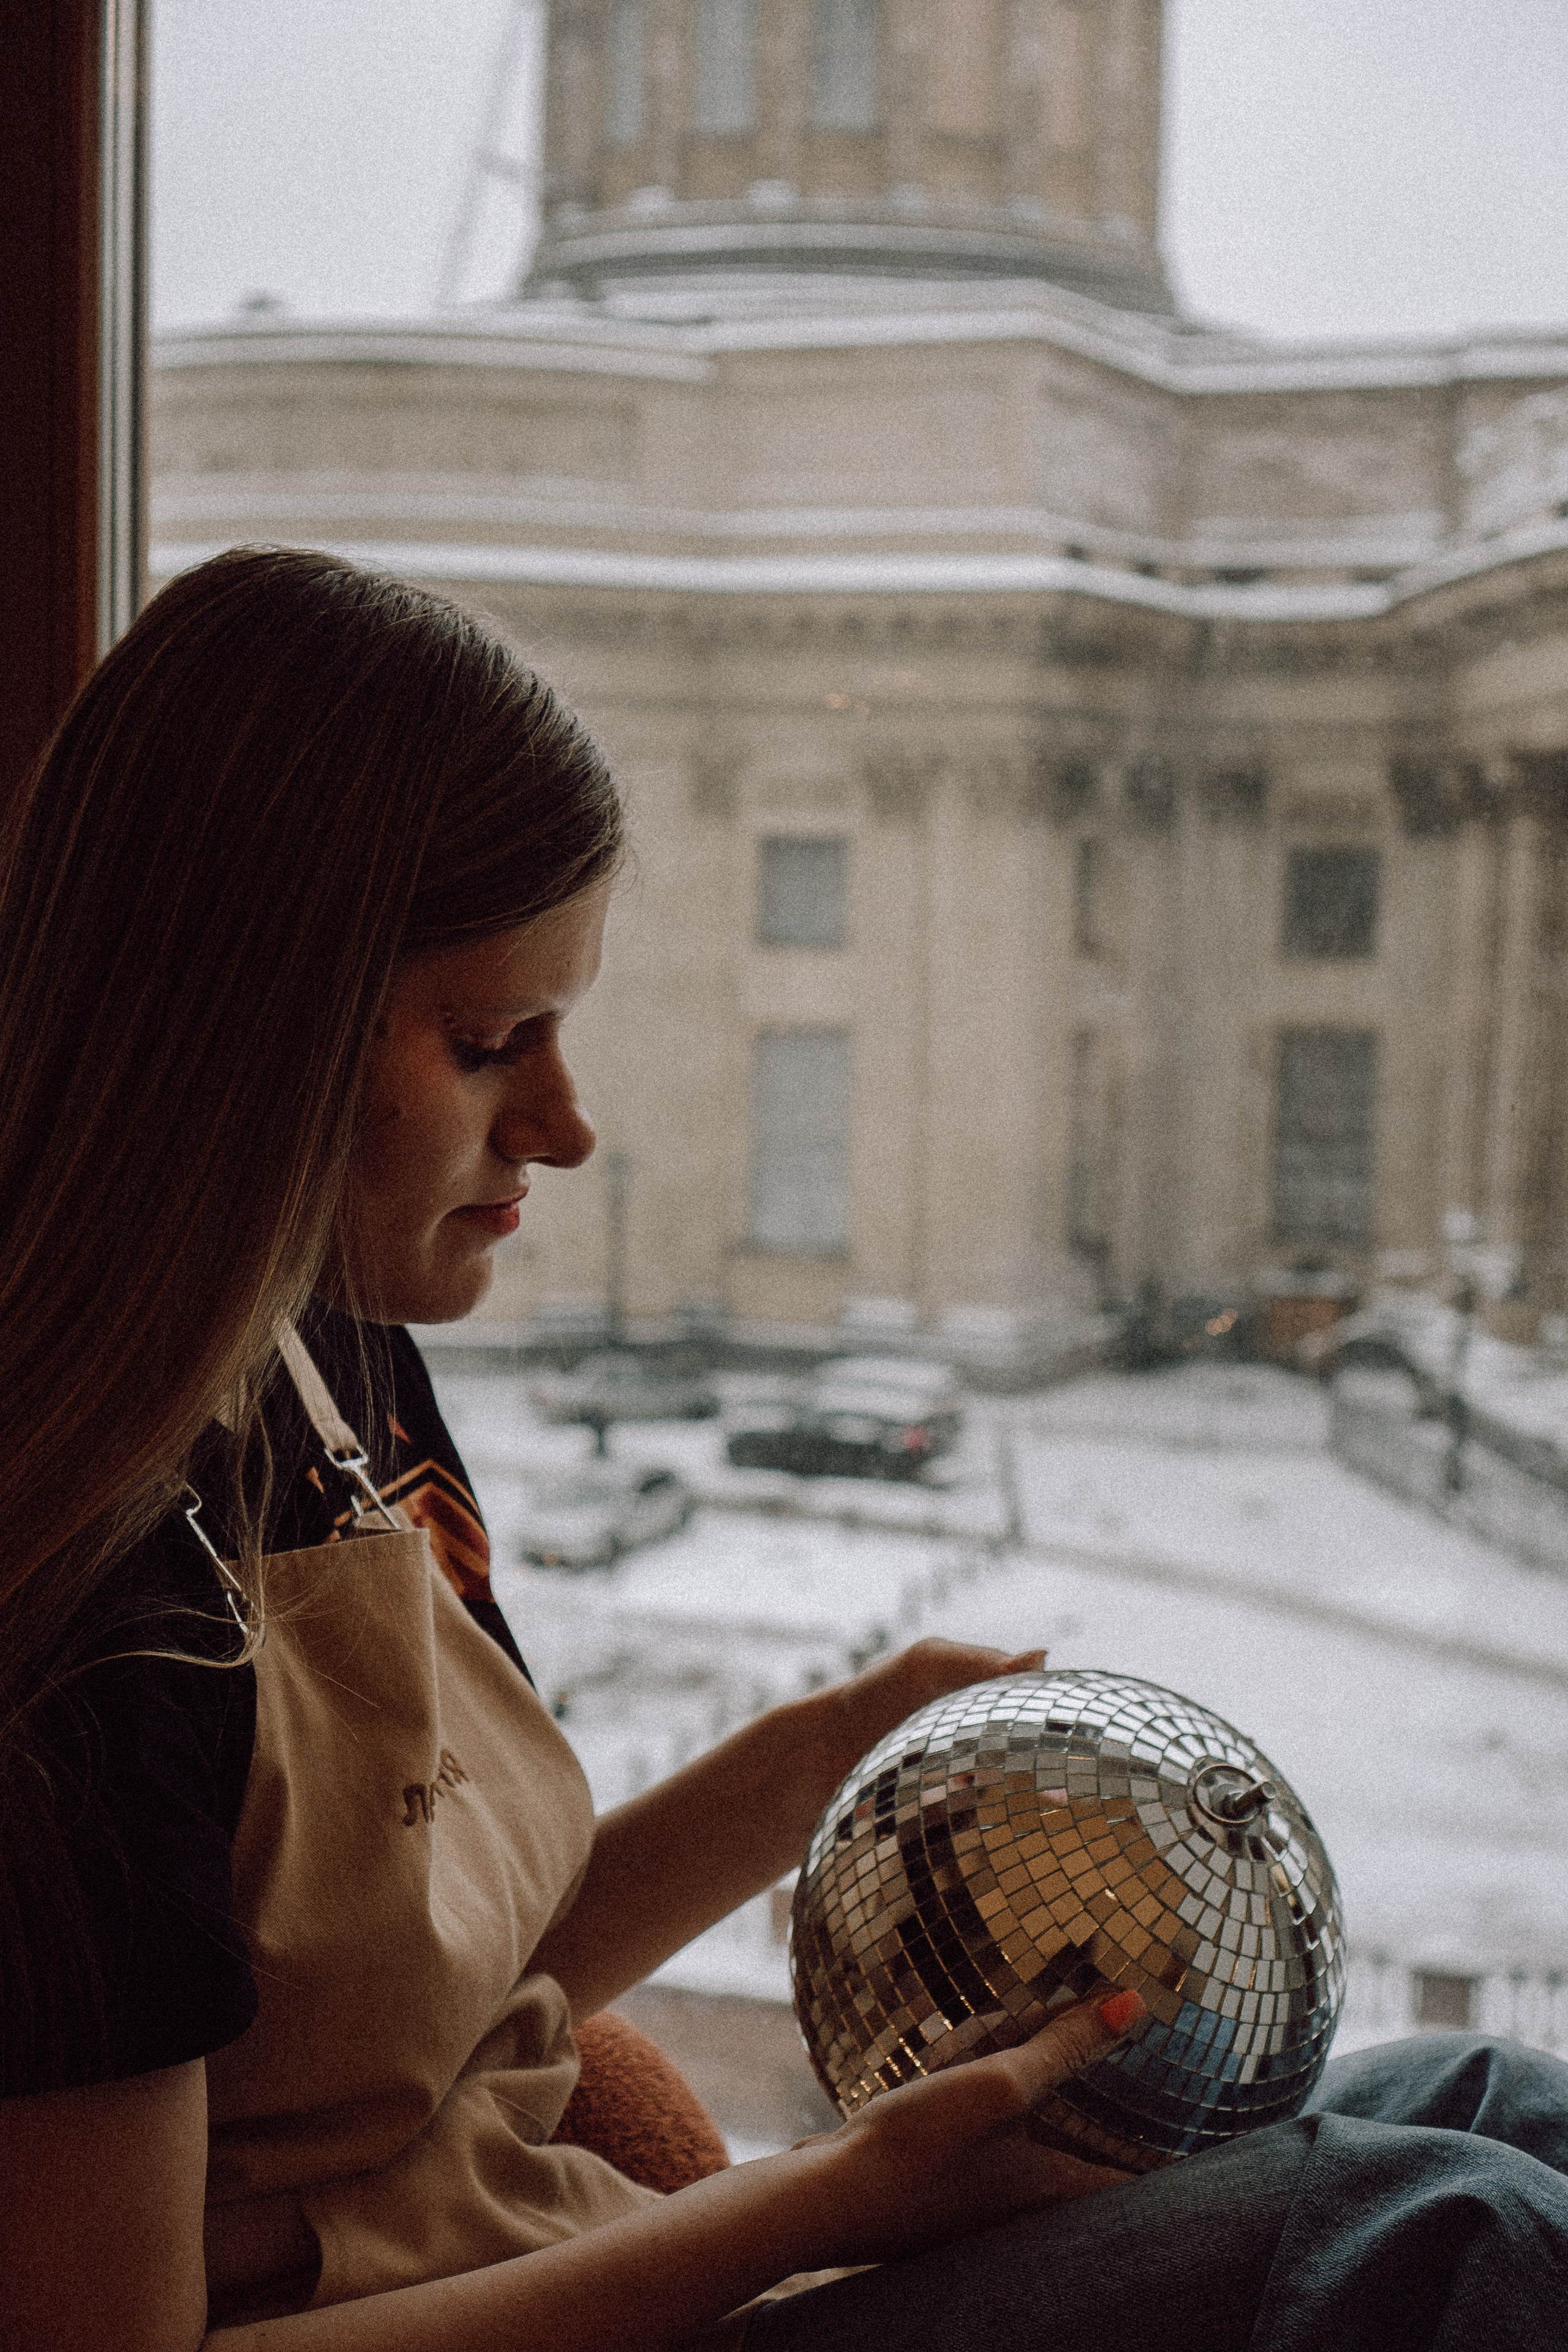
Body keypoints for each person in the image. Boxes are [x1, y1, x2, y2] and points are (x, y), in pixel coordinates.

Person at [0, 548, 1563, 2352]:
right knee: (1451, 2235)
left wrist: (834, 1752)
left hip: (549, 2239)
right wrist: (831, 2198)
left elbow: (429, 2015)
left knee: (1492, 2100)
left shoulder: (333, 1369)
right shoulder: (85, 1637)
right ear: (234, 1033)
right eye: (494, 1043)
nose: (568, 1128)